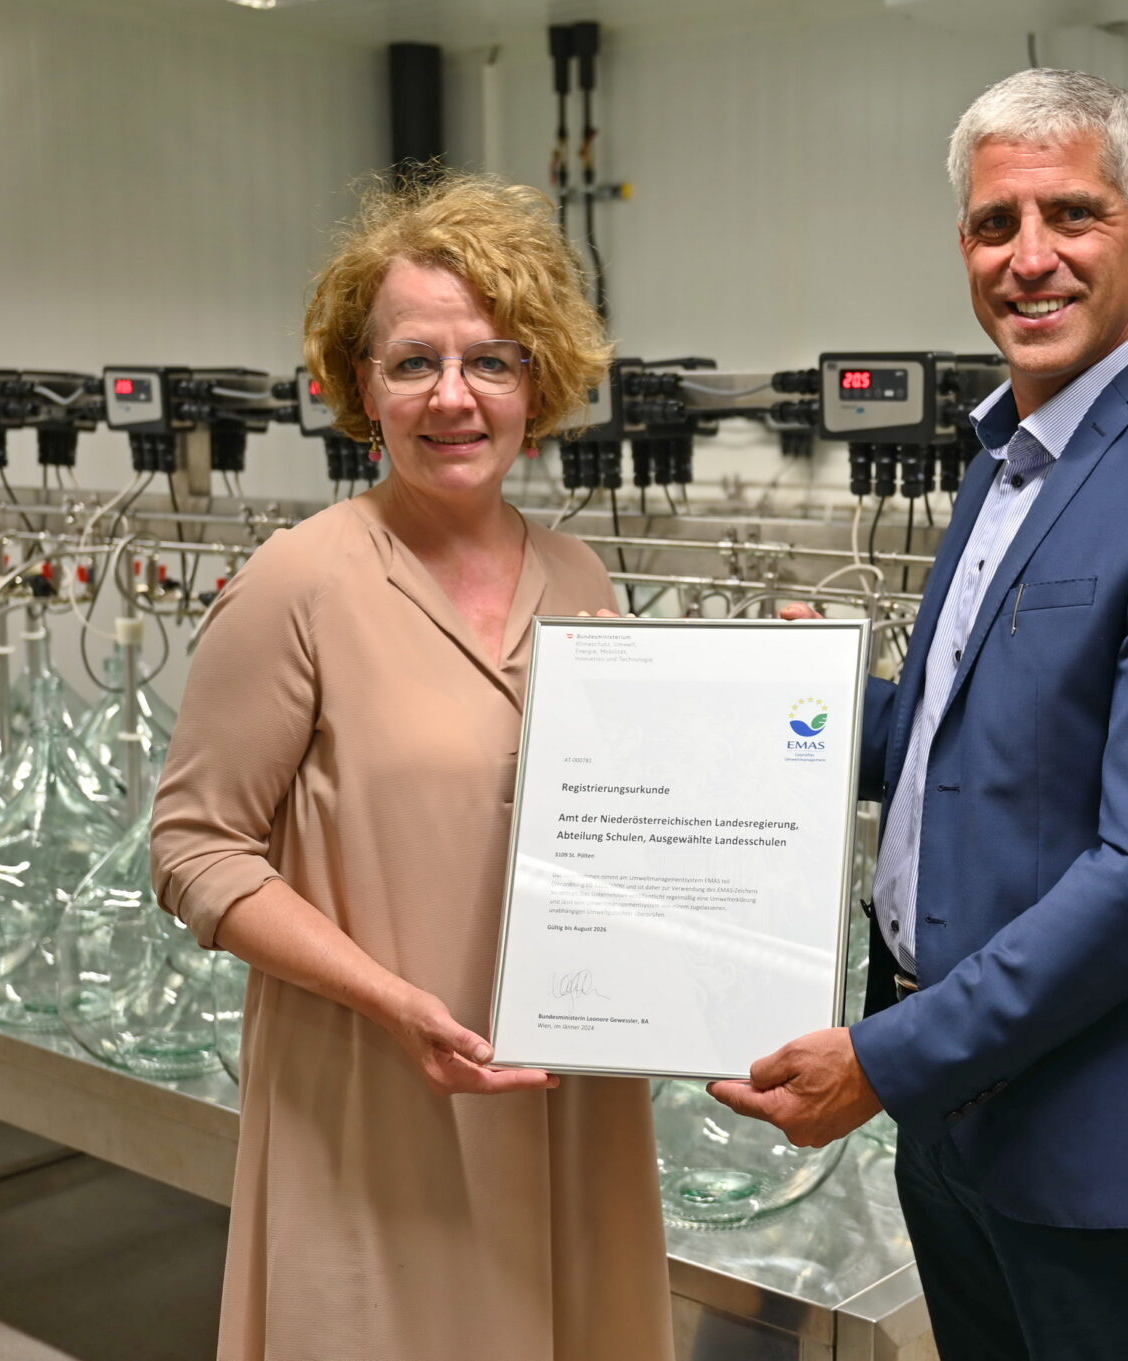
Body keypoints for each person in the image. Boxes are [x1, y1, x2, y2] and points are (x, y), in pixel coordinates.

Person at [711, 69, 1128, 1360]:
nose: (1029, 259)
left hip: (1091, 1134)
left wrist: (885, 1057)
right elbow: (961, 744)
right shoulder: (1004, 462)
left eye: (1071, 216)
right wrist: (788, 699)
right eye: (996, 225)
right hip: (951, 1113)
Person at [151, 172, 673, 1361]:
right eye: (412, 363)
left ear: (537, 380)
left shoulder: (584, 581)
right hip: (378, 1097)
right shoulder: (302, 580)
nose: (453, 397)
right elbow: (191, 849)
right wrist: (390, 1000)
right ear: (356, 385)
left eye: (491, 360)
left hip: (571, 1098)